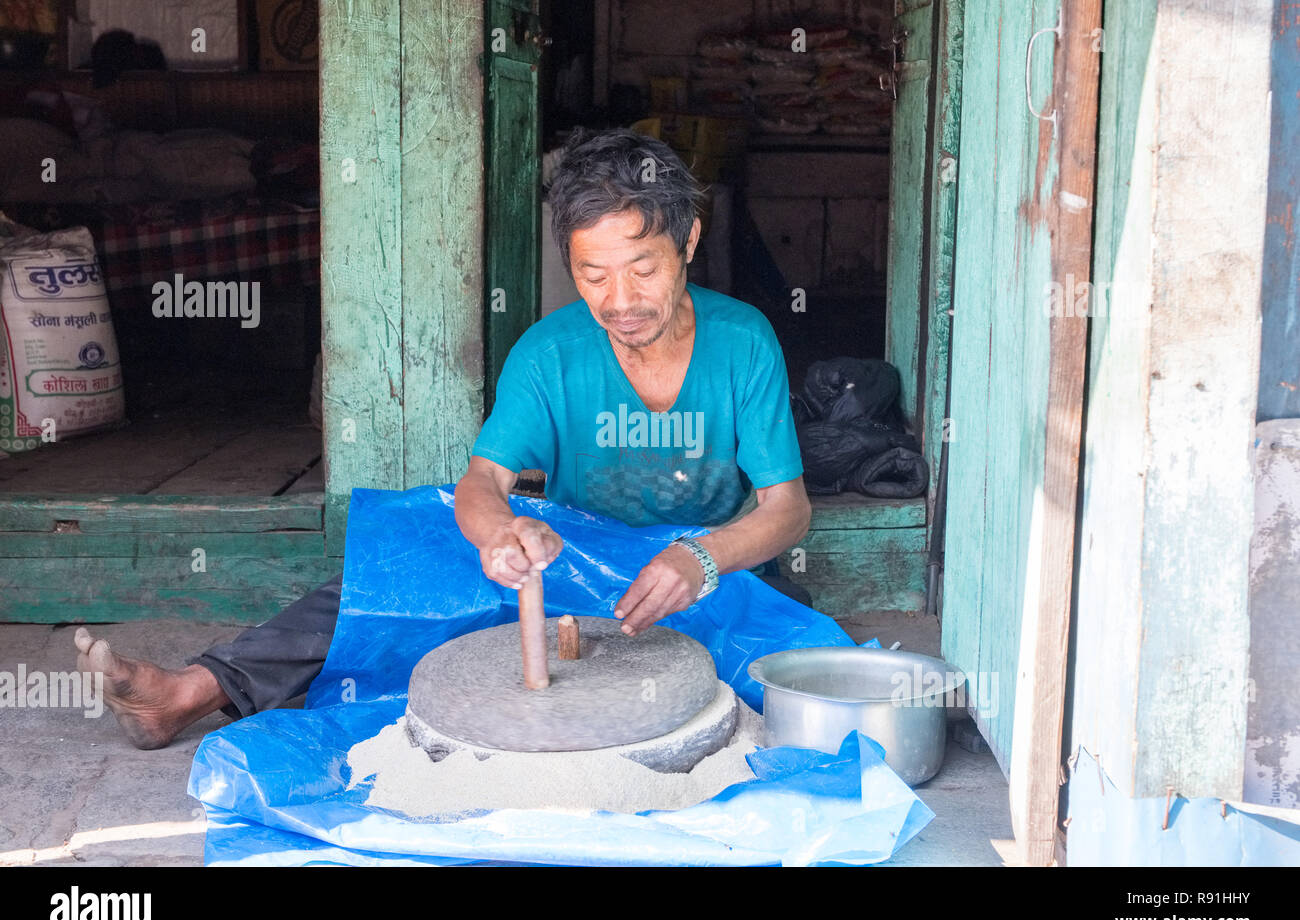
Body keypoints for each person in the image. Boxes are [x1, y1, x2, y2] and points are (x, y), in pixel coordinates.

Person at [75, 127, 812, 750]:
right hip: (575, 565)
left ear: (688, 239)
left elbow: (788, 510)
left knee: (779, 666)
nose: (619, 302)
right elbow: (483, 484)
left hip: (700, 574)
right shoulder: (547, 353)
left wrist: (704, 557)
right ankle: (189, 691)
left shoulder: (743, 341)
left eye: (643, 269)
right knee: (407, 561)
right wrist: (500, 537)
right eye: (593, 276)